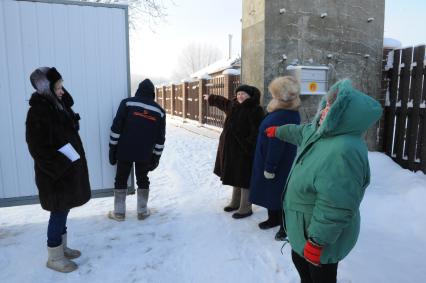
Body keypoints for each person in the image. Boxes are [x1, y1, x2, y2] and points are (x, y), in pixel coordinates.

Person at [265, 79, 382, 283]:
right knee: (301, 264)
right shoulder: (321, 132)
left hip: (319, 235)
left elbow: (337, 204)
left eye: (332, 107)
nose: (326, 110)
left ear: (346, 115)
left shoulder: (344, 149)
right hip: (304, 226)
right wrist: (278, 131)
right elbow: (300, 132)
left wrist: (318, 241)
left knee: (320, 276)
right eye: (326, 105)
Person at [26, 67, 91, 273]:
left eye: (62, 86)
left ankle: (62, 248)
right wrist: (61, 166)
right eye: (58, 87)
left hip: (67, 172)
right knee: (58, 211)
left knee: (64, 208)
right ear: (47, 89)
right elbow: (37, 148)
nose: (62, 91)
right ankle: (54, 256)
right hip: (55, 176)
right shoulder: (38, 112)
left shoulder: (58, 105)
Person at [249, 76, 300, 241]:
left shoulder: (284, 115)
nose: (273, 97)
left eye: (275, 94)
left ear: (282, 95)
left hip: (277, 162)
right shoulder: (281, 110)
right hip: (270, 159)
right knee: (272, 192)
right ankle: (273, 219)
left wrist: (270, 166)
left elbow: (277, 143)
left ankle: (285, 227)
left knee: (281, 194)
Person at [108, 79, 166, 221]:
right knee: (143, 179)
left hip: (124, 149)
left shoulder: (127, 103)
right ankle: (142, 211)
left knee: (120, 178)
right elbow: (160, 138)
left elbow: (116, 127)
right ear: (152, 93)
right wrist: (156, 157)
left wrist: (112, 147)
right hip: (145, 153)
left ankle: (119, 213)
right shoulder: (159, 111)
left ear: (138, 91)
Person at [203, 85, 264, 219]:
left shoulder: (255, 110)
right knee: (235, 176)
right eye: (238, 93)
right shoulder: (233, 105)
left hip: (244, 151)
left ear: (250, 96)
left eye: (243, 94)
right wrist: (211, 98)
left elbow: (257, 132)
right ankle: (235, 202)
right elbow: (223, 102)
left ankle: (246, 207)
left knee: (244, 178)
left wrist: (248, 145)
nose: (240, 96)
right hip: (231, 151)